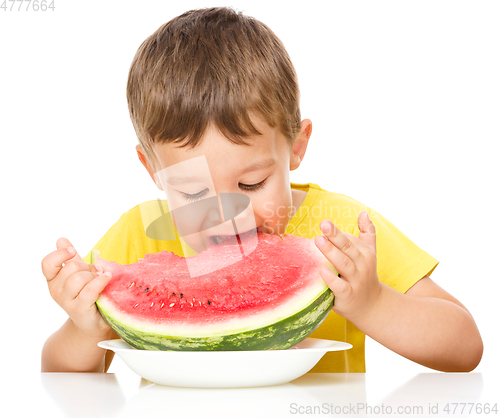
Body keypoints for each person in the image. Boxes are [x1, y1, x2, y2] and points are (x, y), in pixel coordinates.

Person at [41, 7, 482, 373]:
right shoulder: (138, 236)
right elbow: (59, 374)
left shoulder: (343, 230)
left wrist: (374, 304)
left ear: (297, 146)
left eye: (251, 184)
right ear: (152, 170)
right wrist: (86, 330)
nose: (227, 215)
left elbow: (465, 346)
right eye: (193, 193)